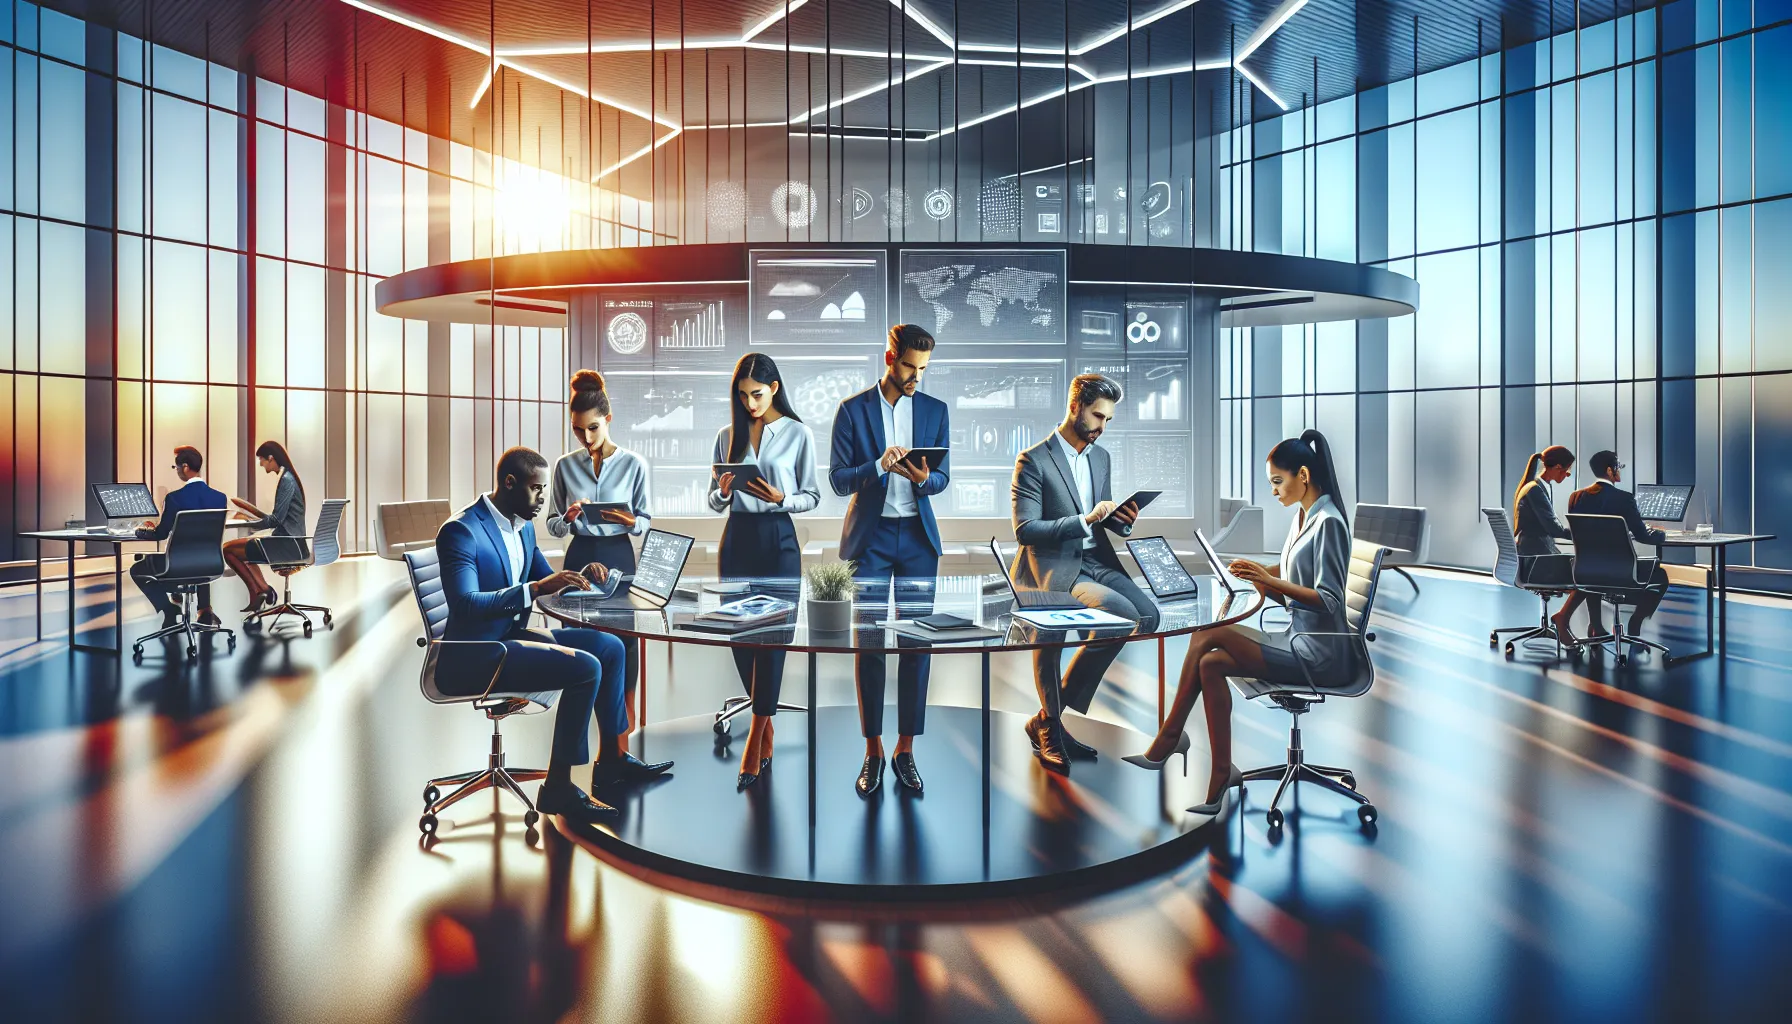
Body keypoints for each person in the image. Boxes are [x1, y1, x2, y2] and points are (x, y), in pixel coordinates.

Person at [1124, 430, 1356, 819]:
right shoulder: (1306, 515)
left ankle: (1168, 737)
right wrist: (1255, 574)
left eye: (1278, 482)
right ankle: (1221, 773)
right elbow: (1292, 575)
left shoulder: (1329, 522)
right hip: (1297, 640)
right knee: (1210, 664)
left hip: (1320, 655)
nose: (1274, 492)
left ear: (1303, 475)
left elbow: (1329, 600)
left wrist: (1269, 582)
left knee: (1209, 633)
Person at [434, 446, 672, 824]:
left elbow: (547, 579)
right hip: (477, 655)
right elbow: (465, 603)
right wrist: (535, 588)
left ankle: (611, 759)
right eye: (536, 490)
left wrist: (581, 577)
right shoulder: (461, 531)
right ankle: (558, 787)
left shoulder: (523, 525)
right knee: (586, 668)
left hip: (513, 638)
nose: (544, 500)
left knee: (610, 648)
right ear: (509, 484)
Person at [1010, 373, 1154, 777]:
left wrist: (1122, 521)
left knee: (1147, 616)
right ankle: (1053, 723)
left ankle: (1046, 718)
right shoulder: (1033, 459)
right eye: (1097, 416)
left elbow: (1102, 521)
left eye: (1108, 419)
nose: (1101, 427)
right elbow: (1025, 529)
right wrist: (1081, 520)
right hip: (1053, 566)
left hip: (1097, 561)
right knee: (1117, 615)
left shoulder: (1101, 457)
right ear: (1075, 406)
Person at [829, 325, 950, 796]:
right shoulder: (852, 411)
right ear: (889, 357)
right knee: (871, 645)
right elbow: (839, 481)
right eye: (908, 366)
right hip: (871, 539)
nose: (916, 376)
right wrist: (878, 465)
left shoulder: (935, 410)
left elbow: (942, 477)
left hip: (918, 538)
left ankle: (906, 750)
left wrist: (923, 478)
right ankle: (872, 750)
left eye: (922, 369)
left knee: (918, 647)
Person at [709, 353, 821, 790]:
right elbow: (714, 500)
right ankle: (766, 721)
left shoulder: (797, 434)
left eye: (757, 394)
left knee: (774, 636)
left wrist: (781, 498)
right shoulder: (726, 435)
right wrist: (720, 493)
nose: (750, 403)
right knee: (740, 635)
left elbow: (811, 495)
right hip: (736, 538)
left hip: (778, 539)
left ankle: (756, 733)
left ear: (774, 388)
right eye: (743, 396)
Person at [546, 370, 652, 693]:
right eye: (578, 430)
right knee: (579, 640)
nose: (587, 438)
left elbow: (645, 522)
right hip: (579, 555)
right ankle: (584, 708)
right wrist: (568, 515)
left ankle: (624, 720)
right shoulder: (565, 466)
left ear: (608, 419)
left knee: (624, 640)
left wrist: (629, 520)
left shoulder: (635, 465)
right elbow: (553, 525)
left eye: (593, 428)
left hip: (619, 555)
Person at [1566, 449, 1669, 639]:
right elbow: (1643, 536)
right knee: (1660, 576)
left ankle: (1596, 625)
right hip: (1621, 573)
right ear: (1609, 470)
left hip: (1584, 570)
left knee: (1596, 569)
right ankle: (1635, 624)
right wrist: (1661, 535)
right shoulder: (1624, 498)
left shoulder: (1576, 497)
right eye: (1618, 467)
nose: (1620, 470)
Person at [131, 445, 227, 629]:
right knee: (197, 554)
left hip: (178, 567)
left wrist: (141, 532)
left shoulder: (175, 498)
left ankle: (168, 608)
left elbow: (161, 533)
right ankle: (203, 609)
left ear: (184, 467)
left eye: (176, 468)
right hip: (211, 564)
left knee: (137, 570)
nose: (177, 472)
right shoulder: (219, 498)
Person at [223, 441, 308, 613]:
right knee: (242, 550)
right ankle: (263, 590)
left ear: (271, 458)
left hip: (287, 545)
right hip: (292, 542)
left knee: (228, 550)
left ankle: (261, 591)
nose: (261, 464)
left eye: (262, 460)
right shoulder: (288, 477)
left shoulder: (286, 480)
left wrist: (249, 522)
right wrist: (254, 517)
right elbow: (278, 517)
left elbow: (276, 520)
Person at [1509, 446, 1584, 639]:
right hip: (1536, 560)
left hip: (1534, 552)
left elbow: (1550, 528)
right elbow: (1554, 530)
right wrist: (1585, 535)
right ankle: (1565, 621)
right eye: (1567, 470)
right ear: (1558, 467)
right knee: (1586, 573)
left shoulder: (1536, 486)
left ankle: (1575, 623)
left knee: (1584, 568)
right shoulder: (1535, 490)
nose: (1567, 475)